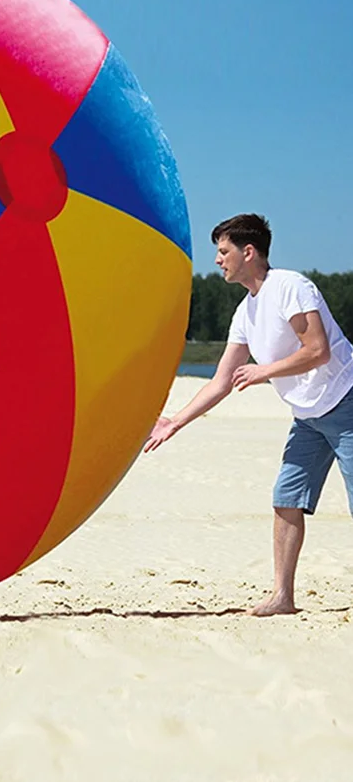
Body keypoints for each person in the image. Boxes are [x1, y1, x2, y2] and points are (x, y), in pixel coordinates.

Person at [144, 214, 353, 616]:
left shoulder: (290, 286)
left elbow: (318, 351)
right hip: (308, 416)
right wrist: (175, 421)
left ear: (248, 251)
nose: (218, 261)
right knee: (286, 500)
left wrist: (264, 372)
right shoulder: (245, 313)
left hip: (345, 401)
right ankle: (282, 597)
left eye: (224, 252)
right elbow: (221, 381)